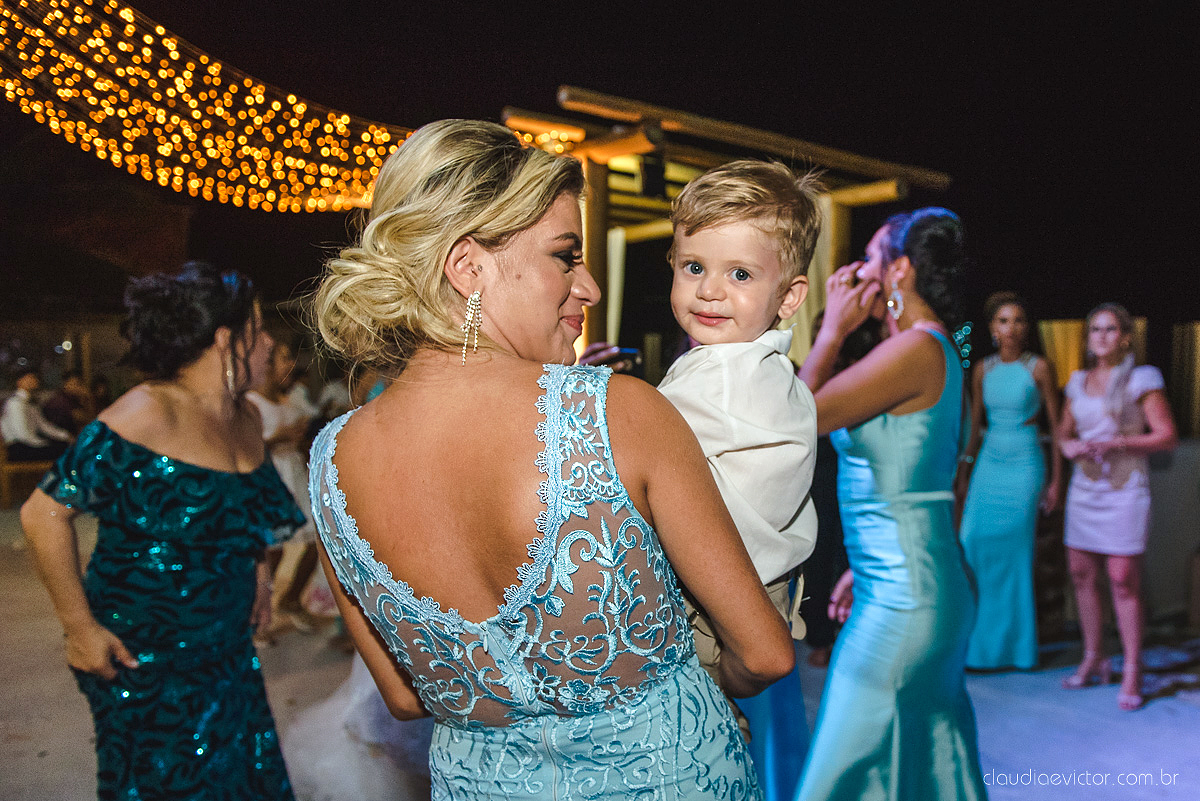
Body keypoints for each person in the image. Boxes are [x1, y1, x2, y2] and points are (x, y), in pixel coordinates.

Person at [307, 119, 794, 800]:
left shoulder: (329, 462)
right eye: (566, 255)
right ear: (467, 265)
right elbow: (766, 652)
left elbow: (405, 697)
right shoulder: (616, 413)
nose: (588, 287)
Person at [20, 263, 305, 801]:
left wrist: (260, 578)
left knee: (240, 771)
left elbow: (247, 515)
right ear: (225, 341)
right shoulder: (146, 412)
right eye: (258, 331)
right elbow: (42, 513)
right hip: (145, 651)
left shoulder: (244, 417)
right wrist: (79, 627)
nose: (268, 344)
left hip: (225, 644)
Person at [795, 208, 987, 801]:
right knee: (918, 765)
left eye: (872, 256)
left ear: (899, 269)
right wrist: (869, 560)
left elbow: (795, 419)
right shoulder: (921, 350)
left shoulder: (917, 350)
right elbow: (917, 482)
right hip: (906, 581)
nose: (857, 271)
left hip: (908, 599)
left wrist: (828, 334)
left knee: (842, 773)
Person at [655, 159, 820, 800]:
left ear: (789, 297)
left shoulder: (715, 375)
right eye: (693, 267)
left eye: (740, 275)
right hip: (767, 586)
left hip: (710, 601)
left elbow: (630, 464)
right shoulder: (772, 369)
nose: (709, 291)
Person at [1059, 302, 1177, 711]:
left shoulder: (1142, 378)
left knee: (1123, 577)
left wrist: (1118, 442)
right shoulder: (1076, 381)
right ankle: (1094, 657)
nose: (1102, 336)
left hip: (1125, 488)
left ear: (1126, 336)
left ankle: (1131, 668)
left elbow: (1166, 436)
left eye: (1110, 329)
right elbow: (1062, 434)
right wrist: (1070, 446)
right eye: (1095, 329)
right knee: (1080, 573)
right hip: (1085, 488)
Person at [957, 291, 1063, 670]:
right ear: (992, 328)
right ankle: (979, 648)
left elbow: (1056, 426)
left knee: (1016, 557)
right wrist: (965, 472)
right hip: (989, 463)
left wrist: (1056, 483)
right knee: (971, 543)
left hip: (1025, 465)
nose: (1012, 328)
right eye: (1004, 320)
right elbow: (973, 427)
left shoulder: (1039, 367)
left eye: (1018, 320)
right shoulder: (982, 369)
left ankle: (1017, 650)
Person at [247, 338, 321, 634]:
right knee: (271, 551)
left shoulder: (287, 399)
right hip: (271, 476)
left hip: (294, 473)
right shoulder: (252, 403)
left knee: (316, 541)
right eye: (283, 358)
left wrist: (301, 438)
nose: (289, 365)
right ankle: (259, 612)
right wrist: (280, 436)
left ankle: (291, 599)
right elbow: (247, 449)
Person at [2, 369, 73, 461]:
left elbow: (43, 426)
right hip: (19, 448)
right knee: (63, 450)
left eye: (35, 378)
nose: (34, 380)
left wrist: (65, 436)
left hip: (31, 444)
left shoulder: (31, 402)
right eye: (30, 378)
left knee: (66, 446)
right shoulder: (15, 403)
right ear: (19, 381)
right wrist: (43, 443)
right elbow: (23, 435)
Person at [42, 368, 96, 436]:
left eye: (80, 384)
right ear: (66, 384)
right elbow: (85, 419)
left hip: (66, 436)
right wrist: (89, 397)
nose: (78, 387)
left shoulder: (72, 398)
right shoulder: (61, 400)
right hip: (59, 438)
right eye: (76, 383)